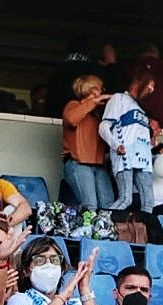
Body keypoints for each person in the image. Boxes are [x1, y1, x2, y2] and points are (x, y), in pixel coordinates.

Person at [99, 64, 154, 214]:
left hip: (143, 160)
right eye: (149, 86)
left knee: (149, 203)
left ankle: (143, 236)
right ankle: (99, 224)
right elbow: (103, 127)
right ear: (139, 81)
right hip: (125, 156)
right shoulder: (119, 99)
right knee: (125, 199)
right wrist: (115, 145)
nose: (151, 90)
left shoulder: (142, 108)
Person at [61, 75, 114, 211]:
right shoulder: (73, 105)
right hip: (78, 163)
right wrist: (93, 102)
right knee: (90, 205)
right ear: (92, 90)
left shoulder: (97, 115)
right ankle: (87, 231)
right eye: (100, 89)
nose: (102, 92)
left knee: (108, 206)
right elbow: (72, 119)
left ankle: (106, 232)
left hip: (99, 166)